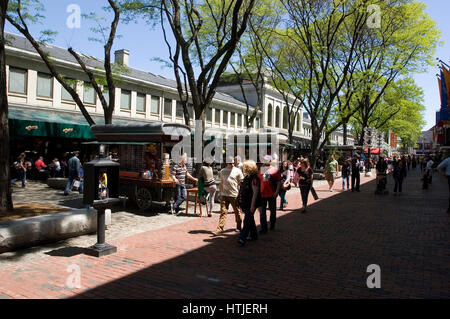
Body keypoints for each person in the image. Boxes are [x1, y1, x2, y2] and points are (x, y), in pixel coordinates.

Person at [213, 156, 244, 235]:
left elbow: (241, 183)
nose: (232, 164)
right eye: (231, 163)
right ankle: (220, 228)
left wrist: (241, 193)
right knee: (223, 212)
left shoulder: (238, 171)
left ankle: (239, 226)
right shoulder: (223, 171)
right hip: (224, 194)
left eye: (234, 163)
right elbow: (221, 183)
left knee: (237, 212)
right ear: (227, 163)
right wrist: (220, 193)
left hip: (234, 195)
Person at [237, 160, 261, 246]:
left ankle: (242, 238)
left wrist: (252, 205)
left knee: (247, 220)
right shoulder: (247, 177)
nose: (243, 168)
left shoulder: (254, 179)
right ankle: (254, 235)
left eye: (245, 167)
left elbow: (255, 193)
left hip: (251, 203)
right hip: (245, 202)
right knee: (250, 219)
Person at [258, 155, 281, 233]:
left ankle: (272, 223)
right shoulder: (261, 170)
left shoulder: (275, 170)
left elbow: (278, 182)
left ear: (270, 161)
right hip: (262, 194)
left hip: (272, 194)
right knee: (262, 212)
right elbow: (259, 182)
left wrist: (277, 191)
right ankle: (264, 227)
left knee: (273, 211)